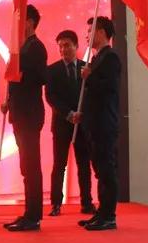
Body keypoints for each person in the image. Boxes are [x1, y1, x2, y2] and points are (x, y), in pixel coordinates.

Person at [2, 4, 48, 232]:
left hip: (29, 114)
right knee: (26, 166)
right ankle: (30, 213)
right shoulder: (23, 47)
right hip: (20, 113)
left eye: (20, 20)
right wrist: (9, 102)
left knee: (31, 166)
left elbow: (39, 77)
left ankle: (34, 216)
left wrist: (18, 69)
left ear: (29, 22)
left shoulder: (35, 47)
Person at [74, 16, 122, 231]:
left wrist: (89, 76)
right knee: (99, 170)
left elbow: (110, 87)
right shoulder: (96, 58)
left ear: (101, 32)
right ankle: (102, 213)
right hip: (93, 122)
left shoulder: (111, 58)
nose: (87, 35)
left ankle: (109, 215)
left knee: (106, 169)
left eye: (90, 31)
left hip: (104, 123)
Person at [44, 30, 94, 217]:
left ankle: (86, 202)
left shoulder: (86, 68)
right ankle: (56, 203)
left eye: (67, 45)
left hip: (82, 124)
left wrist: (82, 113)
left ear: (76, 46)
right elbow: (51, 97)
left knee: (84, 164)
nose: (63, 49)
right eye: (60, 46)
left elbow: (91, 94)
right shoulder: (52, 70)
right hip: (62, 124)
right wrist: (69, 114)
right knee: (59, 165)